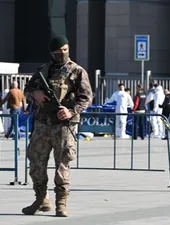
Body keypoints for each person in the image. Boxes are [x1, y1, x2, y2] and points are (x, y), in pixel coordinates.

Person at [22, 35, 93, 217]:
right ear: (52, 52)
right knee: (36, 163)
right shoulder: (43, 70)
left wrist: (71, 111)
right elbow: (27, 90)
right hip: (42, 124)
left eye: (65, 49)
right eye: (58, 51)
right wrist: (35, 94)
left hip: (63, 125)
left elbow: (86, 97)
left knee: (62, 165)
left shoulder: (76, 71)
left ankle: (61, 203)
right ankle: (41, 199)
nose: (62, 53)